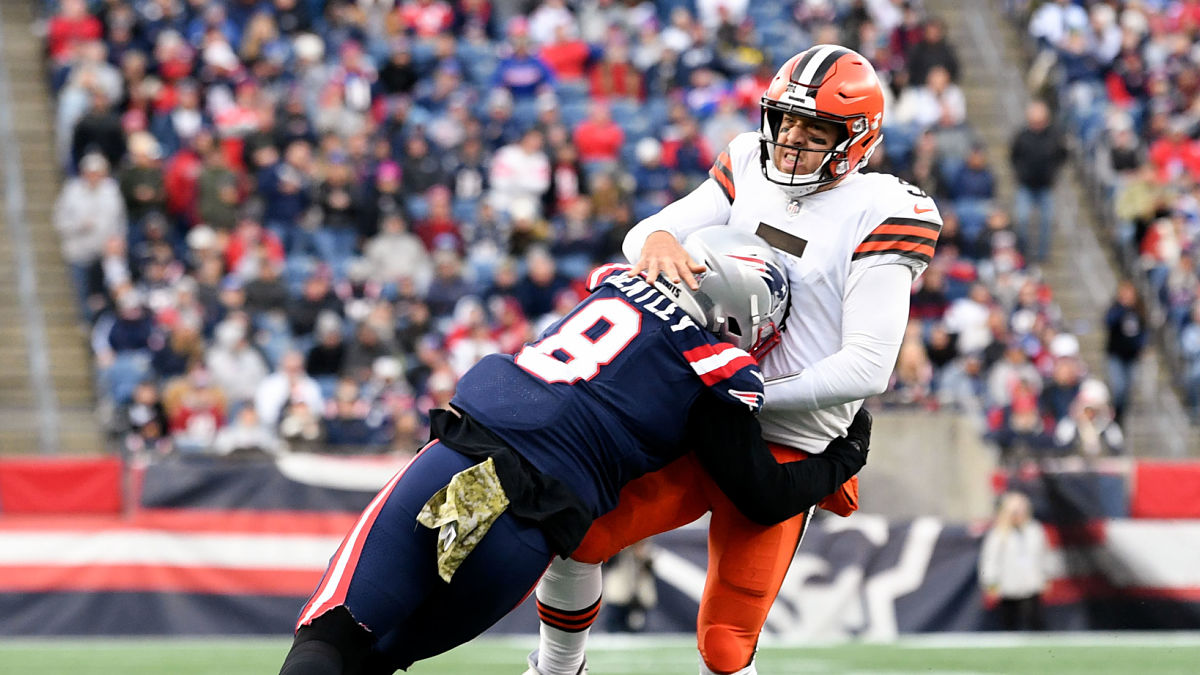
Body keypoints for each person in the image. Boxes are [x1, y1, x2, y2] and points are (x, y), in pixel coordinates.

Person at [276, 228, 874, 674]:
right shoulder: (716, 372)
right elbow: (764, 496)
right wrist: (844, 458)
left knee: (332, 636)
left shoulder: (612, 286)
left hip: (461, 460)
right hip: (531, 522)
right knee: (378, 659)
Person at [529, 45, 941, 675]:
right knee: (574, 534)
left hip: (789, 438)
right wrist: (660, 239)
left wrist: (750, 392)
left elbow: (868, 368)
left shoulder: (883, 210)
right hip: (702, 413)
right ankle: (555, 670)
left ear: (856, 138)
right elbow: (646, 236)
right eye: (787, 120)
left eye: (815, 129)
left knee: (725, 642)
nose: (792, 139)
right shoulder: (749, 159)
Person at [978, 491, 1048, 631]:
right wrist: (991, 583)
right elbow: (990, 560)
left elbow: (1044, 555)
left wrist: (1046, 576)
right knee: (1009, 624)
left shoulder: (1034, 529)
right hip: (1008, 587)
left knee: (1035, 621)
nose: (1018, 514)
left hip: (1031, 585)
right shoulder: (998, 533)